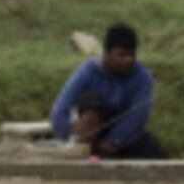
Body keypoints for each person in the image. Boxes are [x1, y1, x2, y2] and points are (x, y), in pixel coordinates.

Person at [51, 23, 166, 159]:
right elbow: (60, 110)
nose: (128, 60)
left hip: (122, 132)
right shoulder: (88, 71)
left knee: (159, 157)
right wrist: (68, 139)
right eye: (122, 55)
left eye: (132, 55)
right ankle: (84, 156)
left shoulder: (143, 77)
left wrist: (115, 141)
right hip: (90, 128)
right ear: (107, 53)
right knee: (91, 100)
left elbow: (138, 117)